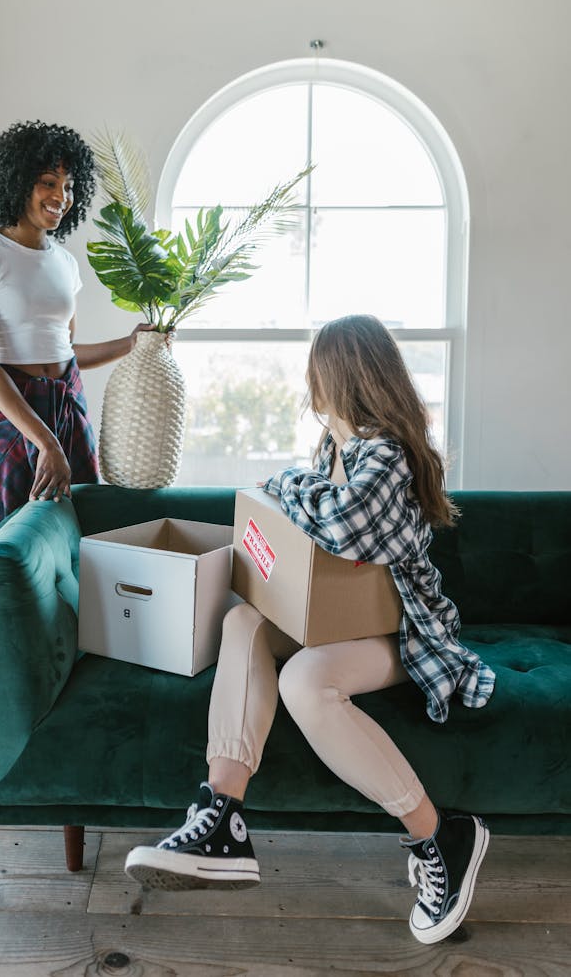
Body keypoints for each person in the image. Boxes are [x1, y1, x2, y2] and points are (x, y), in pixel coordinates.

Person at [124, 314, 496, 945]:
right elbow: (307, 526)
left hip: (401, 632)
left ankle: (441, 836)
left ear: (341, 379)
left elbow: (342, 525)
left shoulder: (388, 455)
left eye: (315, 374)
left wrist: (289, 485)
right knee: (242, 619)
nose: (308, 389)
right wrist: (299, 487)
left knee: (304, 680)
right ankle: (221, 816)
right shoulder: (335, 452)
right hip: (337, 623)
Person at [0, 119, 152, 808]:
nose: (57, 198)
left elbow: (62, 351)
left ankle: (61, 718)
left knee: (78, 554)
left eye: (66, 187)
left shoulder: (64, 260)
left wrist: (129, 343)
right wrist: (41, 440)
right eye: (45, 183)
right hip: (10, 420)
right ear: (16, 179)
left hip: (66, 407)